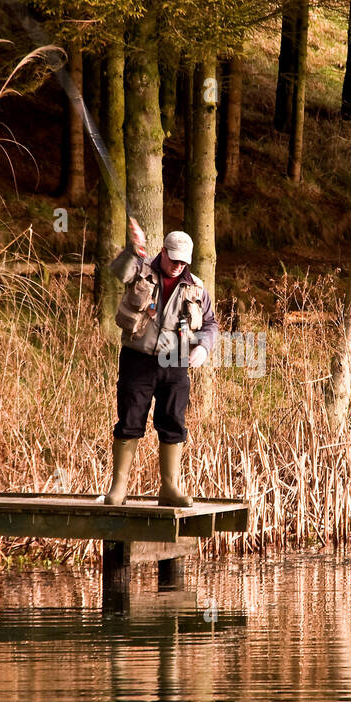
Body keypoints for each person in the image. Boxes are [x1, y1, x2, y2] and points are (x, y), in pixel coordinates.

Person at [103, 217, 217, 506]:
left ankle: (170, 489)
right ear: (163, 253)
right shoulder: (140, 271)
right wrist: (135, 246)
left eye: (184, 262)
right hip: (137, 359)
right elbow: (117, 268)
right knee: (129, 421)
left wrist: (203, 347)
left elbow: (210, 325)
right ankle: (118, 490)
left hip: (175, 362)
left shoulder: (196, 287)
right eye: (174, 259)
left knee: (173, 423)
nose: (178, 266)